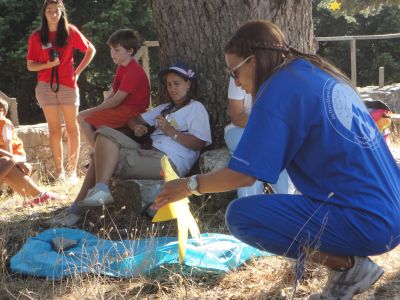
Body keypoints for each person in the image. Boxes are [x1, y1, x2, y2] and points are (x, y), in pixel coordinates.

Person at [152, 21, 400, 299]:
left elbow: (243, 175)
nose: (236, 82)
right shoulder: (312, 73)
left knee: (243, 216)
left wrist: (189, 185)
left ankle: (351, 268)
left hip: (369, 222)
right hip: (390, 213)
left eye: (235, 71)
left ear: (254, 61)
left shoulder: (277, 90)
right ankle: (348, 269)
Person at [46, 62, 212, 227]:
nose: (172, 88)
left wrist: (170, 131)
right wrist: (137, 127)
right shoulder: (165, 108)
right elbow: (134, 119)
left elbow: (198, 143)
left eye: (177, 84)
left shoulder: (196, 108)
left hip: (168, 162)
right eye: (169, 84)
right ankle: (100, 189)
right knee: (104, 132)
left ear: (188, 84)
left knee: (100, 157)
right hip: (146, 152)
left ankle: (77, 210)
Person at [27, 0, 96, 184]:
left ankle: (72, 171)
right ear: (44, 13)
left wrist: (78, 72)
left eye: (56, 10)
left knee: (72, 128)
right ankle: (60, 173)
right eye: (49, 10)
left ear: (61, 12)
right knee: (54, 129)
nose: (53, 13)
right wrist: (49, 65)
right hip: (45, 86)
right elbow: (30, 65)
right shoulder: (37, 36)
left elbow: (90, 50)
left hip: (67, 84)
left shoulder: (70, 31)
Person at [78, 29, 150, 148]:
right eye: (111, 49)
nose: (112, 53)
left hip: (131, 112)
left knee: (84, 120)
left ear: (130, 51)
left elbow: (117, 100)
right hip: (123, 108)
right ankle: (100, 152)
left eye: (117, 50)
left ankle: (98, 154)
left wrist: (92, 110)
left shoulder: (133, 70)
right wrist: (100, 108)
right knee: (87, 118)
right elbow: (114, 93)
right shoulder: (122, 66)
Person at [224, 77, 295, 196]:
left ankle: (287, 204)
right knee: (253, 154)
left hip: (273, 135)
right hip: (240, 129)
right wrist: (267, 128)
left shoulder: (285, 73)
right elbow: (237, 116)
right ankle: (248, 207)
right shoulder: (238, 73)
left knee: (282, 158)